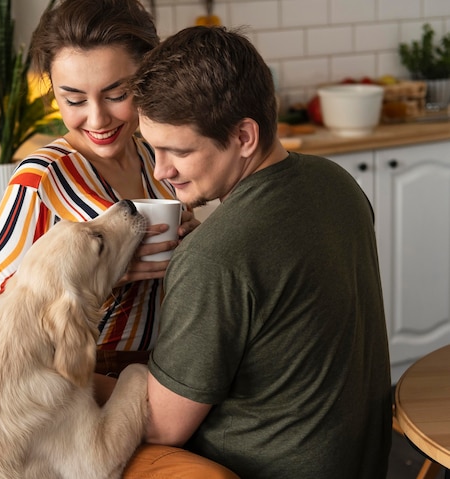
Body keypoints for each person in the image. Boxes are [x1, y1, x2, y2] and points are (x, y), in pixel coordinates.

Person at [122, 26, 393, 478]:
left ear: (244, 136)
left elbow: (160, 427)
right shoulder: (337, 183)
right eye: (152, 149)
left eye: (177, 150)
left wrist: (62, 381)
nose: (161, 170)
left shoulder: (215, 258)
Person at [0, 0, 198, 377]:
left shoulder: (151, 156)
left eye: (116, 95)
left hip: (165, 367)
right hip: (88, 381)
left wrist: (191, 239)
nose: (97, 118)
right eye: (73, 99)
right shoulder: (41, 180)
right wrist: (102, 275)